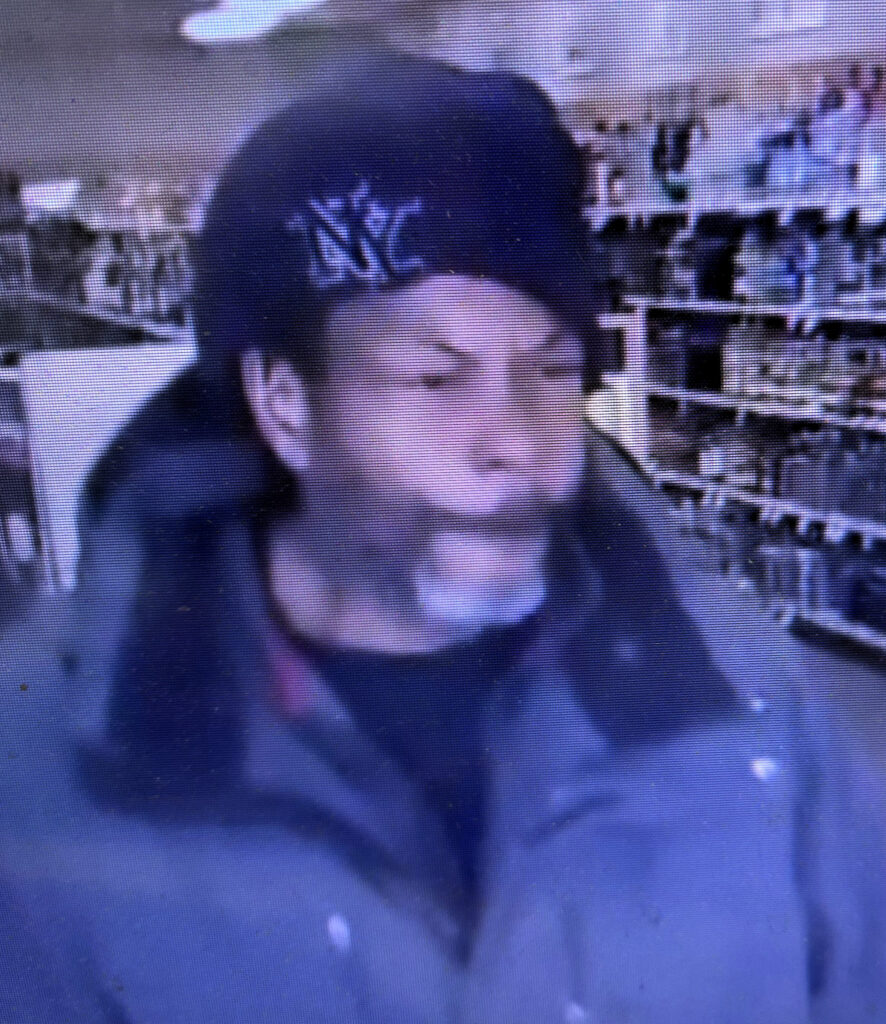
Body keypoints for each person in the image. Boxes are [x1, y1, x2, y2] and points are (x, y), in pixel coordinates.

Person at [3, 48, 886, 1024]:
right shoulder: (49, 779)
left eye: (551, 370)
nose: (513, 440)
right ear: (285, 402)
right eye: (434, 377)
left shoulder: (739, 703)